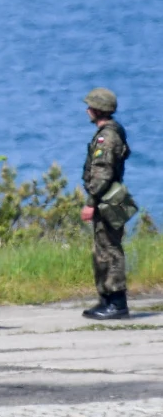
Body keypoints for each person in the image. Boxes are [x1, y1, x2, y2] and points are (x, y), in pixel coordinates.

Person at [81, 87, 132, 319]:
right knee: (103, 249)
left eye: (90, 106)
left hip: (106, 200)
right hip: (107, 198)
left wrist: (91, 201)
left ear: (98, 109)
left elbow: (102, 172)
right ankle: (106, 299)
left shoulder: (107, 137)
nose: (87, 110)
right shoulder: (112, 132)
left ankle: (117, 303)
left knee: (110, 250)